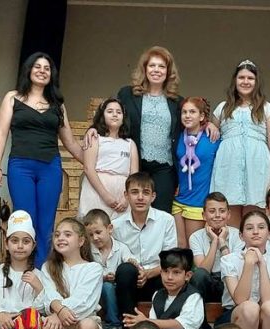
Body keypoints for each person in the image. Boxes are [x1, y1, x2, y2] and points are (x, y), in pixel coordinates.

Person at [86, 46, 218, 213]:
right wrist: (93, 128)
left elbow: (191, 119)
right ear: (145, 69)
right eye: (152, 65)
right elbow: (113, 113)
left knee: (161, 214)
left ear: (168, 72)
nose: (156, 70)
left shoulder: (177, 101)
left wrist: (208, 124)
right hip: (134, 164)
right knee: (133, 212)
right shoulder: (127, 94)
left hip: (165, 168)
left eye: (161, 66)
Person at [0, 52, 83, 268]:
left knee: (46, 223)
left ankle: (42, 272)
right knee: (25, 219)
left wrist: (91, 163)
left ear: (52, 75)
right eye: (37, 67)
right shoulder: (13, 98)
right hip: (20, 166)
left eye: (47, 68)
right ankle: (23, 270)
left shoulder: (58, 104)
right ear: (29, 70)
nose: (42, 71)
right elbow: (1, 133)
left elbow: (70, 141)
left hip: (50, 167)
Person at [210, 59, 270, 228]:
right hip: (228, 173)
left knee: (254, 225)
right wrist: (210, 125)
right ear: (235, 80)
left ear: (256, 82)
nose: (245, 81)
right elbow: (210, 137)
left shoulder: (268, 109)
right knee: (230, 226)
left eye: (250, 78)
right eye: (241, 77)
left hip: (257, 173)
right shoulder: (222, 108)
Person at [111, 172, 177, 329]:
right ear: (126, 195)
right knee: (125, 270)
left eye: (146, 193)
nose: (140, 197)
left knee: (172, 275)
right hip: (129, 281)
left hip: (157, 276)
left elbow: (170, 259)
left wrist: (148, 273)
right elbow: (115, 257)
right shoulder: (116, 225)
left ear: (153, 196)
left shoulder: (166, 220)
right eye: (134, 192)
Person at [40, 218, 103, 329]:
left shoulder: (93, 268)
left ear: (81, 241)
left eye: (67, 234)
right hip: (57, 321)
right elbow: (48, 295)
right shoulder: (48, 267)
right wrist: (59, 312)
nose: (60, 238)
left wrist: (59, 311)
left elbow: (84, 301)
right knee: (47, 326)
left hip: (83, 318)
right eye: (57, 235)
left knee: (88, 326)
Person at [83, 209, 136, 329]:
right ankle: (112, 325)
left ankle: (117, 327)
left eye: (98, 232)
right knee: (106, 286)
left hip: (119, 294)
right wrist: (103, 277)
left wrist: (131, 264)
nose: (95, 238)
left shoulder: (121, 248)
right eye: (90, 235)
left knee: (113, 286)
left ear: (110, 229)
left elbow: (130, 262)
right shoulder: (87, 252)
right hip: (97, 295)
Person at [173, 97, 221, 248]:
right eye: (184, 112)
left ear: (201, 116)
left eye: (192, 112)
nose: (187, 115)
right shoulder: (178, 136)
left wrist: (211, 125)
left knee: (194, 247)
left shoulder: (212, 137)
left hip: (198, 201)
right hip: (178, 200)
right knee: (180, 246)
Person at [79, 98, 138, 220]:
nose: (115, 115)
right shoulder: (95, 138)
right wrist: (106, 196)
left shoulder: (130, 143)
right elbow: (88, 168)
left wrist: (126, 198)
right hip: (97, 192)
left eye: (119, 112)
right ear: (102, 115)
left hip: (122, 194)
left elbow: (134, 175)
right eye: (110, 111)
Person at [189, 192, 244, 302]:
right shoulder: (195, 237)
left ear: (228, 214)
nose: (217, 215)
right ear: (204, 215)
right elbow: (203, 270)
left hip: (231, 281)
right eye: (212, 211)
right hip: (209, 281)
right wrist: (214, 241)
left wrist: (222, 242)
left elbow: (234, 268)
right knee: (198, 275)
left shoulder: (238, 235)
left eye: (222, 211)